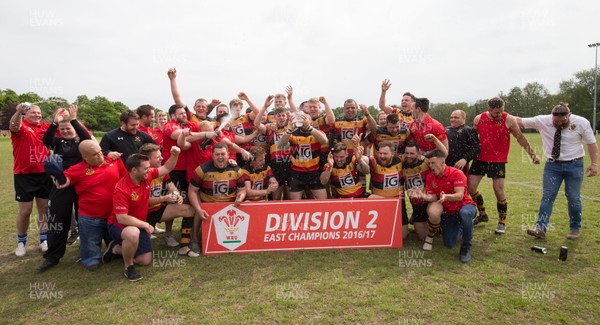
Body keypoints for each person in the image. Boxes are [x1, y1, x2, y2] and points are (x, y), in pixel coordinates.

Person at [518, 103, 598, 240]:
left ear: (569, 115)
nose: (559, 123)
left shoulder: (582, 122)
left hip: (575, 164)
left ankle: (575, 228)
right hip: (552, 166)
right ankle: (540, 229)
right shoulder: (542, 120)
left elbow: (592, 144)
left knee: (573, 197)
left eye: (563, 121)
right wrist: (499, 114)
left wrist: (594, 164)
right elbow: (518, 120)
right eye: (556, 121)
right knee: (547, 196)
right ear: (551, 117)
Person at [104, 147, 181, 281]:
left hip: (138, 222)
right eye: (146, 168)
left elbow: (167, 168)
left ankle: (115, 248)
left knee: (145, 260)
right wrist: (145, 225)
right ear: (134, 170)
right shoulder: (121, 189)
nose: (149, 170)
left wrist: (175, 155)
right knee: (133, 233)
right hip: (119, 224)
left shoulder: (146, 175)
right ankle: (129, 267)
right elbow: (121, 218)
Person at [468, 96, 540, 234]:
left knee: (498, 190)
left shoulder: (509, 120)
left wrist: (532, 155)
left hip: (498, 160)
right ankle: (482, 215)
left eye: (501, 111)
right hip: (480, 158)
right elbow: (472, 139)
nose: (499, 115)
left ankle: (502, 222)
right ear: (489, 109)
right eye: (496, 112)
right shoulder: (478, 119)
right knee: (470, 187)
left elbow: (520, 137)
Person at [37, 105, 92, 272]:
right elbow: (45, 140)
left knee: (86, 219)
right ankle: (52, 256)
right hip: (62, 184)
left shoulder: (81, 141)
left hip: (82, 184)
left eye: (68, 128)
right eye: (63, 129)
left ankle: (89, 253)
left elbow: (87, 136)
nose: (66, 131)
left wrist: (73, 120)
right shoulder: (57, 142)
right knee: (57, 220)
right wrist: (55, 123)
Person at [57, 140, 128, 270]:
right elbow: (62, 183)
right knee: (91, 252)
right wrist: (57, 174)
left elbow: (126, 180)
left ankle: (112, 249)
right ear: (84, 157)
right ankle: (91, 258)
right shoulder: (76, 170)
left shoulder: (114, 161)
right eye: (95, 154)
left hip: (114, 214)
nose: (100, 156)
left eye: (100, 152)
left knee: (120, 244)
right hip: (90, 216)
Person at [407, 149, 476, 263]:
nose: (431, 166)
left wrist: (446, 197)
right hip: (449, 212)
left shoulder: (456, 173)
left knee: (465, 214)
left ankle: (466, 247)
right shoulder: (430, 176)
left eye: (433, 163)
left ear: (442, 163)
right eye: (429, 163)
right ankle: (463, 225)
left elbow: (459, 196)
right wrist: (421, 196)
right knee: (449, 243)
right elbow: (433, 197)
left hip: (465, 206)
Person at [137, 143, 201, 252]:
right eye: (157, 157)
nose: (161, 158)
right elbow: (143, 202)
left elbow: (170, 185)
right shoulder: (139, 175)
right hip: (141, 214)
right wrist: (164, 198)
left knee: (189, 209)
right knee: (141, 252)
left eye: (161, 155)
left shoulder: (160, 171)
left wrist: (177, 195)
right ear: (147, 160)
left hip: (158, 210)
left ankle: (185, 243)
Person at [187, 142, 247, 253]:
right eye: (217, 154)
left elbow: (242, 190)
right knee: (198, 211)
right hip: (208, 205)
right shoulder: (202, 170)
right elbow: (192, 190)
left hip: (230, 206)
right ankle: (194, 239)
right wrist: (199, 209)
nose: (220, 157)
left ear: (228, 155)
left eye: (223, 154)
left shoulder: (236, 170)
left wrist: (240, 197)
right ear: (212, 155)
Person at [10, 102, 51, 257]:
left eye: (39, 113)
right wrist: (18, 113)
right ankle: (21, 242)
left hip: (44, 174)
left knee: (44, 209)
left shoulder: (46, 127)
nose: (37, 115)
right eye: (33, 113)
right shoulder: (21, 125)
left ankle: (44, 240)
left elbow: (61, 126)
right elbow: (14, 126)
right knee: (25, 211)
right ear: (25, 115)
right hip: (24, 175)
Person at [161, 104, 199, 252]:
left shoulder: (188, 124)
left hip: (187, 170)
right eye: (181, 113)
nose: (184, 115)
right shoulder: (169, 126)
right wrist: (205, 134)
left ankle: (186, 235)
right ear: (173, 116)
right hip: (173, 170)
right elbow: (182, 136)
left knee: (187, 201)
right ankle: (168, 233)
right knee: (172, 200)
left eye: (185, 113)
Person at [402, 137, 448, 240]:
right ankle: (431, 225)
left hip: (429, 200)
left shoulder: (426, 161)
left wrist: (435, 140)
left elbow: (444, 154)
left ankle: (441, 224)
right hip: (416, 204)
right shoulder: (402, 165)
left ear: (418, 153)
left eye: (412, 153)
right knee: (422, 237)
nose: (409, 156)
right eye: (407, 153)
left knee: (433, 213)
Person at [278, 111, 330, 200]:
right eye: (301, 120)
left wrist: (309, 127)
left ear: (311, 121)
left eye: (306, 119)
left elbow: (324, 141)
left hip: (314, 171)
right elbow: (281, 146)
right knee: (295, 203)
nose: (303, 122)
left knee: (322, 200)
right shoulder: (293, 134)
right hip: (297, 173)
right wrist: (289, 129)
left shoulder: (317, 132)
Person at [367, 141, 408, 239]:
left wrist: (421, 157)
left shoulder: (400, 161)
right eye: (380, 153)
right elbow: (365, 160)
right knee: (371, 198)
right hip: (381, 203)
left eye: (385, 153)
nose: (382, 156)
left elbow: (413, 157)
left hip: (398, 203)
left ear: (393, 154)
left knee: (403, 236)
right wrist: (359, 156)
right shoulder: (374, 162)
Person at [445, 110, 480, 175]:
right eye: (451, 117)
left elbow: (476, 148)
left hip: (460, 166)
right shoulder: (445, 130)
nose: (453, 119)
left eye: (456, 117)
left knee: (460, 184)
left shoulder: (469, 130)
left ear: (464, 119)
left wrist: (465, 159)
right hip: (445, 165)